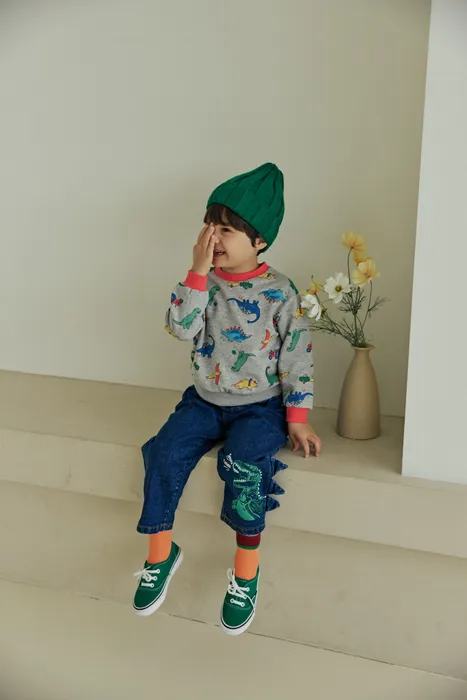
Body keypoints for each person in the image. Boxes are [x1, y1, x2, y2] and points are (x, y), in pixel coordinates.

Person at [133, 163, 321, 635]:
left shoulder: (280, 291)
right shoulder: (201, 283)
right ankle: (159, 554)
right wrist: (197, 274)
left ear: (259, 240)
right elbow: (180, 328)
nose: (213, 237)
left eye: (227, 230)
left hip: (261, 407)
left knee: (243, 464)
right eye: (209, 226)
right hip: (203, 401)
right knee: (163, 450)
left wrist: (297, 417)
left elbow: (297, 356)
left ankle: (246, 571)